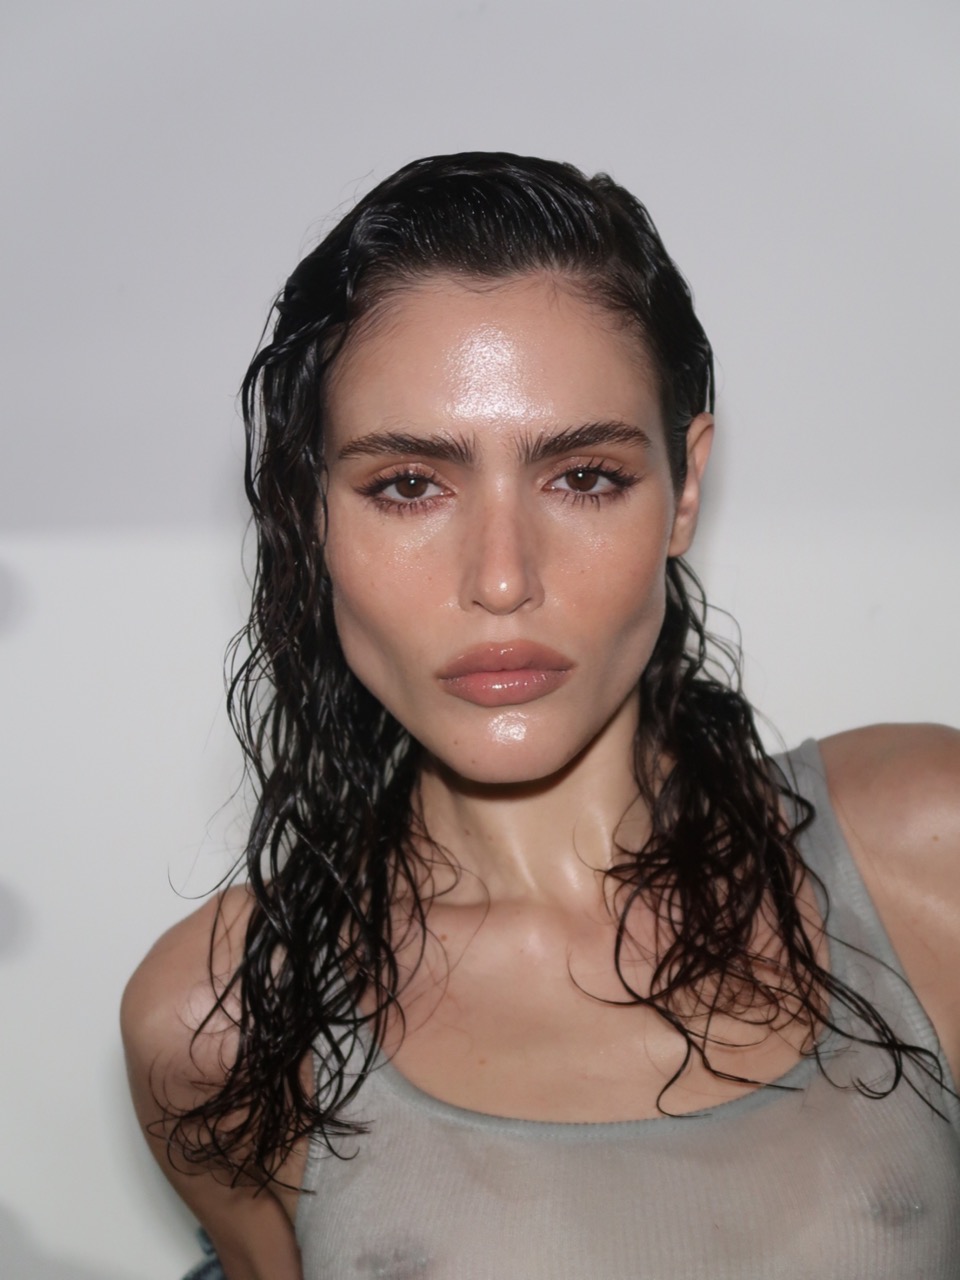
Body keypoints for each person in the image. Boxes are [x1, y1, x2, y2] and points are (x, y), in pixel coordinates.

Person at [121, 152, 960, 1279]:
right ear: (308, 513)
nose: (503, 578)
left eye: (585, 476)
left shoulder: (925, 851)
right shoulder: (221, 1018)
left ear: (685, 488)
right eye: (408, 485)